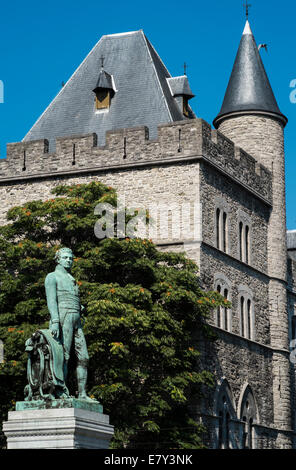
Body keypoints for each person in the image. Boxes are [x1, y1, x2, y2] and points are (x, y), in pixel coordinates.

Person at [45, 247, 92, 401]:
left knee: (83, 357)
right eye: (65, 257)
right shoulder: (52, 277)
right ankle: (60, 391)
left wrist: (79, 306)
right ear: (58, 259)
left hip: (76, 319)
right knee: (63, 356)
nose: (69, 260)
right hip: (62, 317)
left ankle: (83, 393)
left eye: (70, 258)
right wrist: (55, 321)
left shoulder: (72, 279)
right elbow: (51, 301)